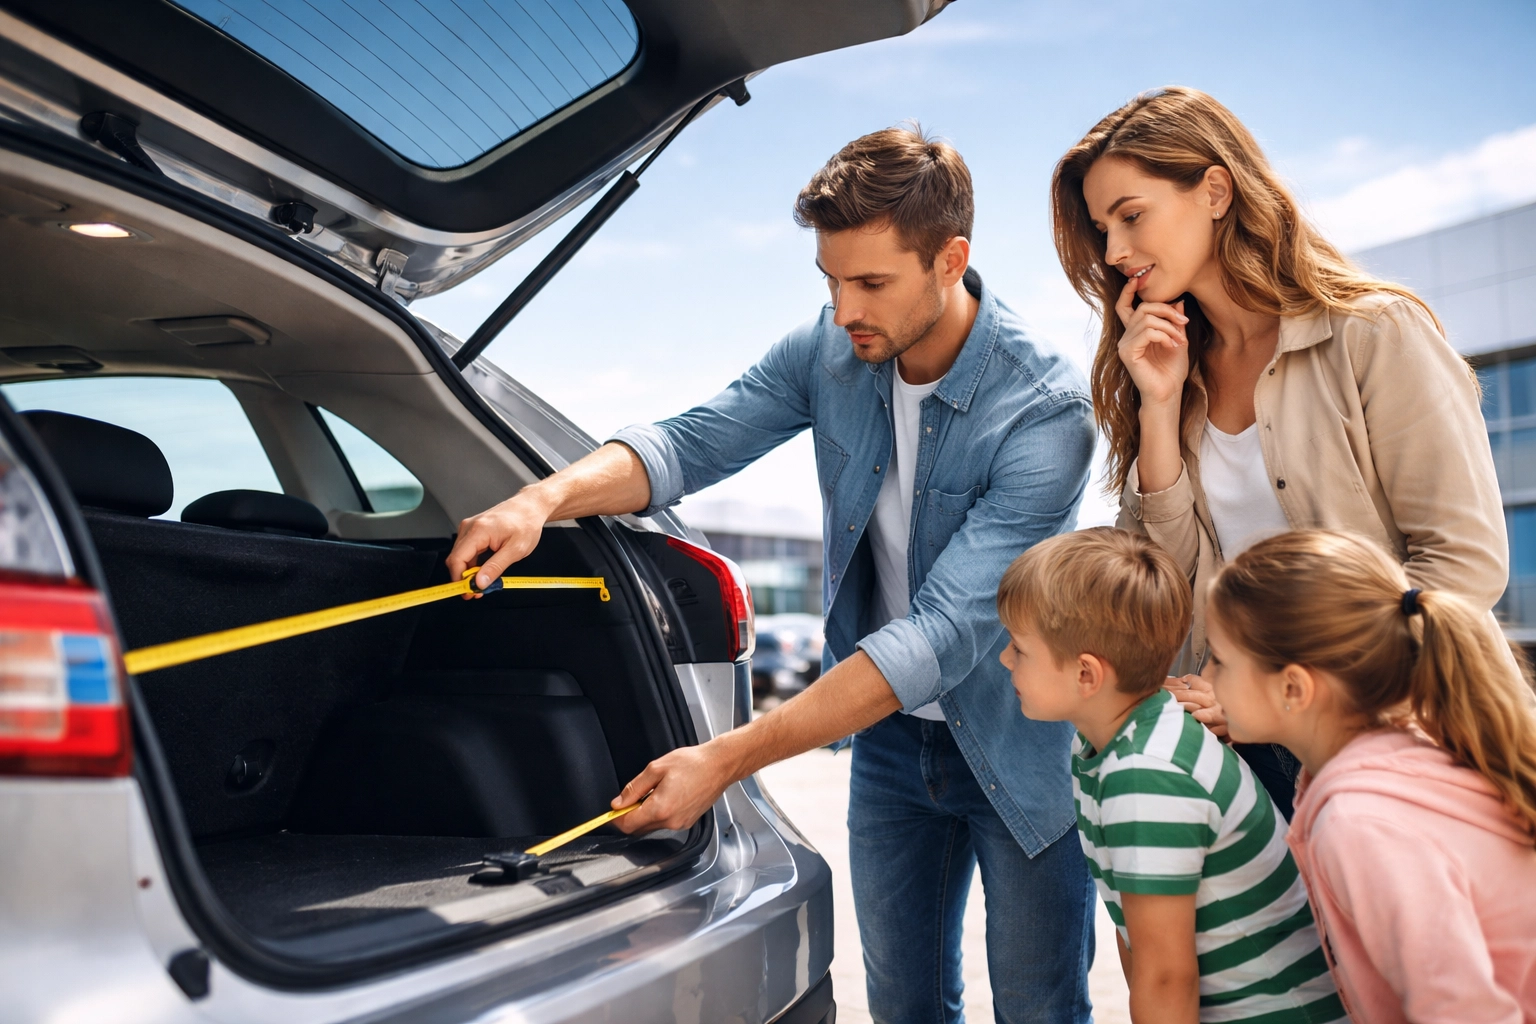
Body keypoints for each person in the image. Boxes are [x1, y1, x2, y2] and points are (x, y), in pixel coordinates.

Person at [447, 127, 1098, 1023]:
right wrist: (541, 501)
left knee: (1040, 1008)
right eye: (831, 282)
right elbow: (689, 441)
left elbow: (942, 634)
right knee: (905, 1007)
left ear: (951, 260)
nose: (845, 311)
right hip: (889, 750)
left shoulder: (1047, 409)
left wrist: (726, 758)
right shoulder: (834, 350)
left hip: (1026, 747)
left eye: (872, 283)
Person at [1049, 85, 1507, 816]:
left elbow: (1463, 565)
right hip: (1234, 760)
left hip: (1389, 752)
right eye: (1103, 228)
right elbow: (1167, 589)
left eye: (1131, 217)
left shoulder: (1374, 334)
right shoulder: (1169, 371)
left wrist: (1289, 698)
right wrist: (1160, 412)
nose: (1115, 252)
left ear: (1216, 191)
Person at [997, 527, 1345, 1024]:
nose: (1004, 659)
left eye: (1018, 649)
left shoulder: (1147, 775)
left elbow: (1166, 977)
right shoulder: (1104, 740)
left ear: (1087, 675)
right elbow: (1136, 935)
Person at [1203, 529, 1536, 1023]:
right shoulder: (1408, 752)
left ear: (1293, 687)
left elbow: (1462, 1012)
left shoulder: (1361, 824)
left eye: (1220, 661)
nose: (1205, 678)